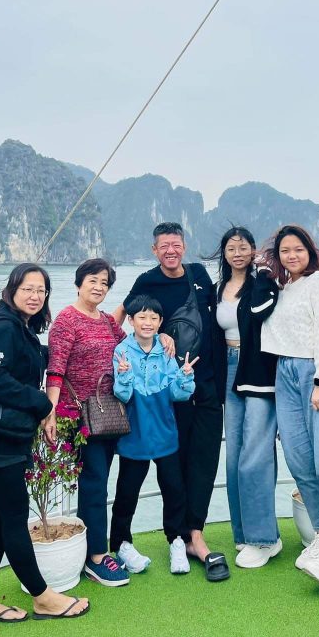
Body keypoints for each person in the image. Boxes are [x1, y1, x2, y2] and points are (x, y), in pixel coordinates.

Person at [0, 263, 89, 622]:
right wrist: (43, 405)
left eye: (41, 291)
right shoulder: (4, 327)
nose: (35, 296)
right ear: (12, 290)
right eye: (28, 289)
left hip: (5, 432)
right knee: (15, 517)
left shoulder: (20, 327)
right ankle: (42, 596)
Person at [112, 222, 229, 582]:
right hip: (169, 394)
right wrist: (114, 351)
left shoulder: (199, 276)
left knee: (203, 459)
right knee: (169, 471)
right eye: (163, 246)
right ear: (154, 250)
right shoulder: (146, 281)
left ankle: (193, 534)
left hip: (203, 383)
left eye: (176, 244)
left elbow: (219, 319)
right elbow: (120, 316)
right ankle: (171, 536)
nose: (170, 251)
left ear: (184, 246)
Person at [252, 225, 319, 589]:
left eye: (298, 249)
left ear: (311, 252)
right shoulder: (283, 287)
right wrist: (260, 269)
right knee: (299, 459)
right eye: (285, 250)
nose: (292, 255)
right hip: (286, 372)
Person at [46, 258, 130, 587]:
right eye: (93, 280)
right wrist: (50, 411)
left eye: (104, 283)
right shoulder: (67, 320)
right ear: (79, 283)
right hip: (80, 416)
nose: (98, 287)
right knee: (94, 484)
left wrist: (162, 338)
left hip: (109, 414)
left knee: (98, 483)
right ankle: (97, 557)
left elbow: (131, 345)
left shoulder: (107, 321)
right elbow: (56, 369)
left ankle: (90, 550)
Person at [109, 295, 197, 574]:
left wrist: (185, 376)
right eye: (141, 317)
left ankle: (177, 541)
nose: (147, 323)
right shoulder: (122, 351)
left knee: (173, 488)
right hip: (134, 432)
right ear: (131, 320)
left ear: (160, 322)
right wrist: (123, 376)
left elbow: (178, 395)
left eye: (153, 318)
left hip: (164, 429)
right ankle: (122, 544)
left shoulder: (165, 349)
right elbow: (122, 395)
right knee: (127, 491)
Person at [211, 227, 280, 569]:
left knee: (256, 454)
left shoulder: (264, 284)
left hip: (258, 370)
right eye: (231, 248)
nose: (237, 253)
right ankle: (244, 533)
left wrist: (264, 271)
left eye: (243, 247)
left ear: (253, 250)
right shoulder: (217, 289)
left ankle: (264, 538)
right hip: (228, 369)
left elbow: (260, 311)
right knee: (234, 456)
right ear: (223, 253)